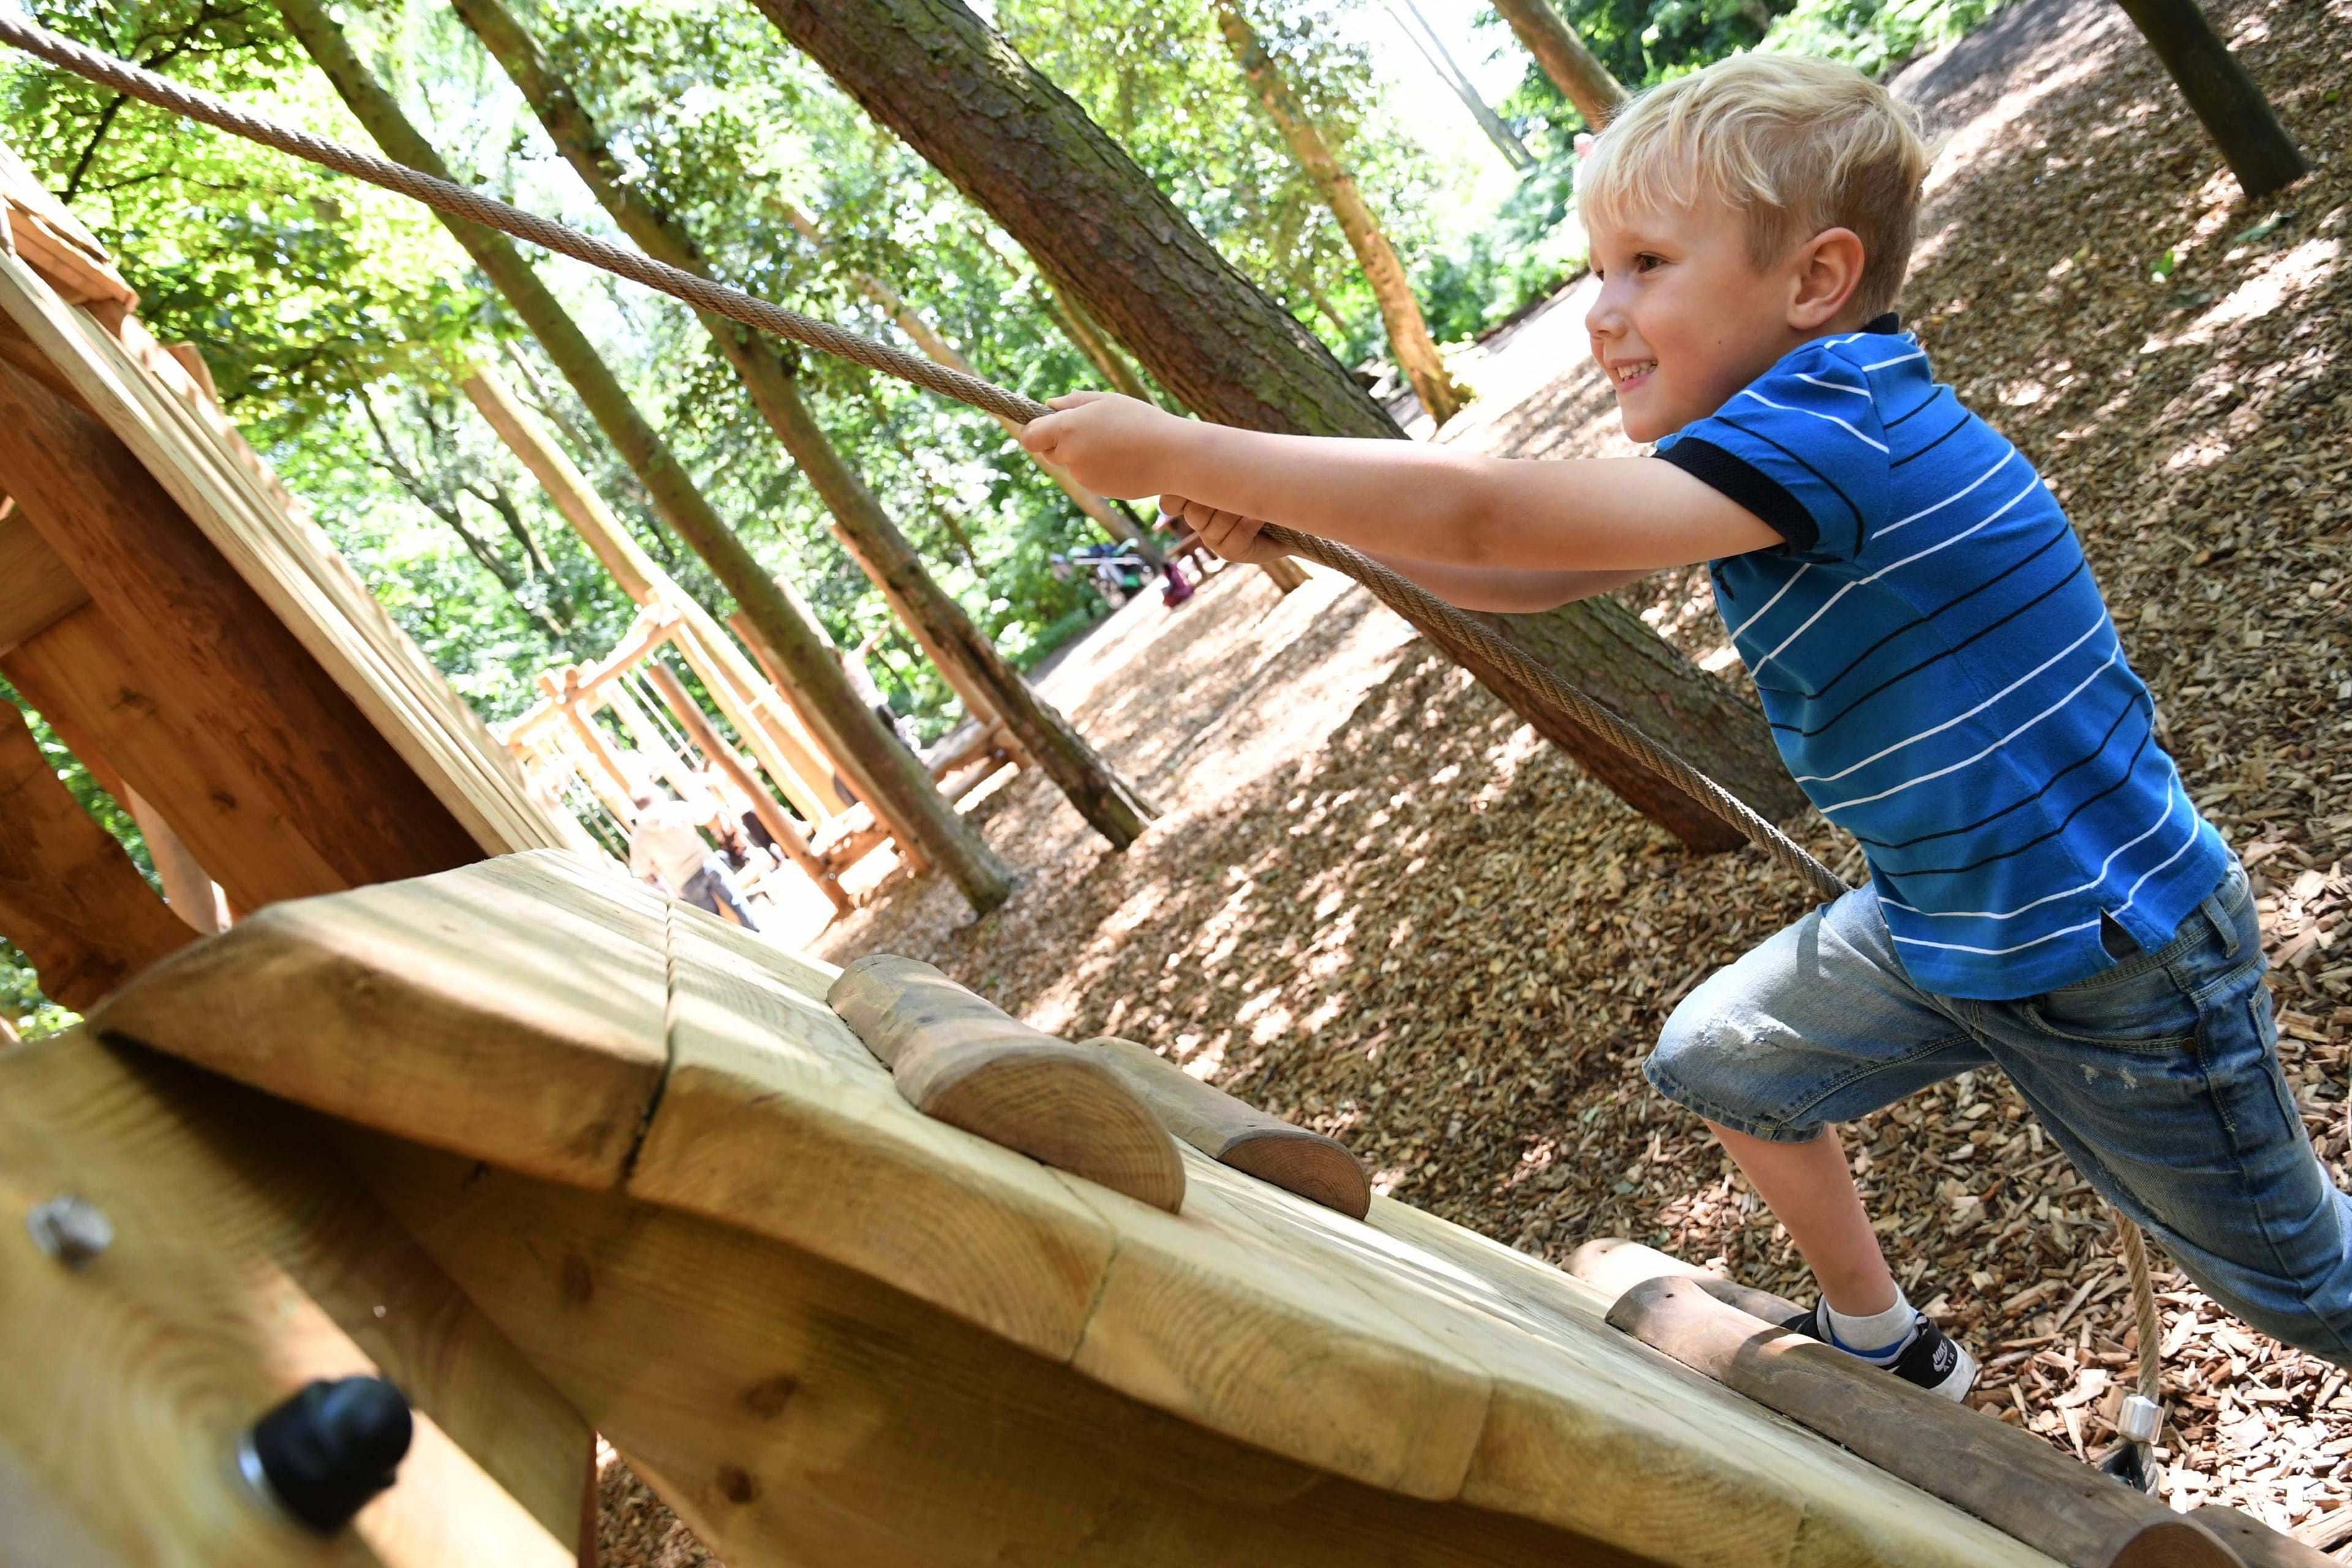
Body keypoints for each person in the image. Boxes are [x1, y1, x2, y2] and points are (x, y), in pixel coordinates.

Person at [1018, 53, 2348, 1399]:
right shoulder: (1782, 442)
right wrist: (1308, 515)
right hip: (1950, 921)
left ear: (1814, 282)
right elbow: (1519, 579)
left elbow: (1490, 518)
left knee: (2306, 1286)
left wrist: (1185, 446)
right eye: (1599, 269)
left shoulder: (1839, 435)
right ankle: (1887, 1342)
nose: (1602, 313)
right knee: (1726, 1058)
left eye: (1646, 263)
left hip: (2110, 950)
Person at [628, 788, 761, 932]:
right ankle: (757, 933)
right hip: (706, 863)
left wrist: (654, 865)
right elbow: (704, 815)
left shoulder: (640, 837)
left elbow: (639, 869)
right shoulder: (676, 809)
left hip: (684, 880)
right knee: (737, 901)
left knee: (712, 922)